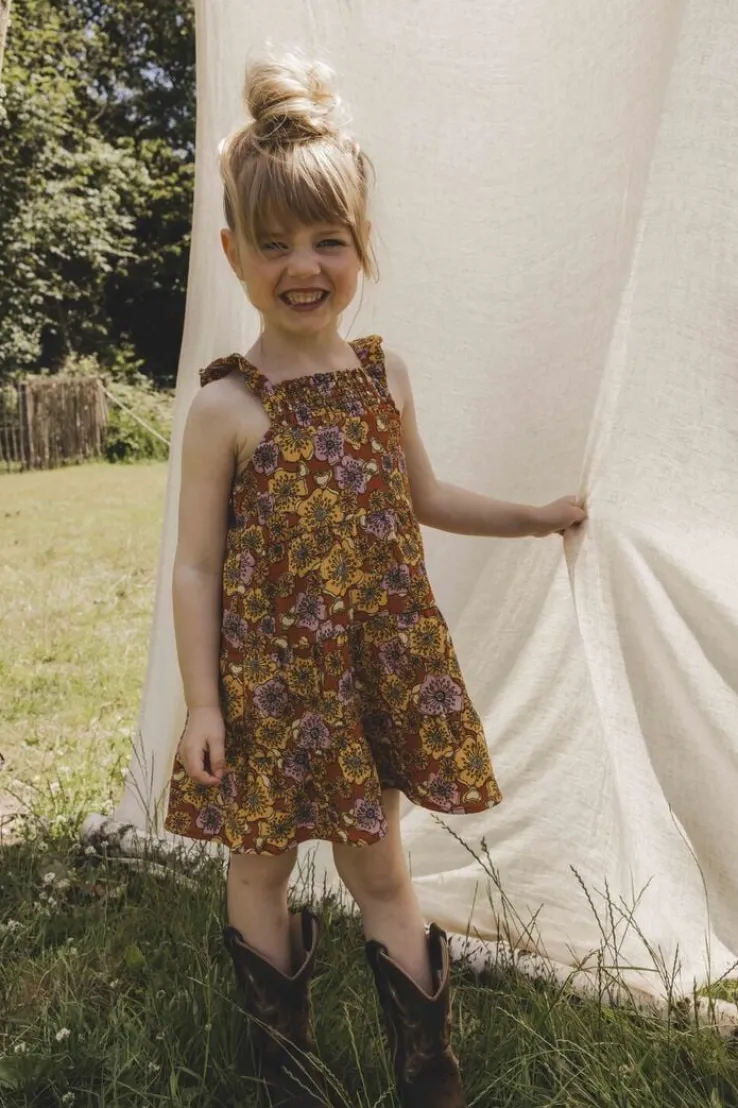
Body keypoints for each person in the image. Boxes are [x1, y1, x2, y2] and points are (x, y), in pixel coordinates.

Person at [164, 53, 586, 1108]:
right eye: (274, 244)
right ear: (233, 253)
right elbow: (196, 564)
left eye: (328, 240)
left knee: (380, 867)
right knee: (259, 865)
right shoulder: (227, 408)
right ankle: (286, 1065)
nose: (302, 266)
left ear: (362, 247)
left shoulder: (382, 378)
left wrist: (533, 516)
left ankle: (428, 1071)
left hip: (369, 674)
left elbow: (425, 496)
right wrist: (204, 704)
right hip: (267, 689)